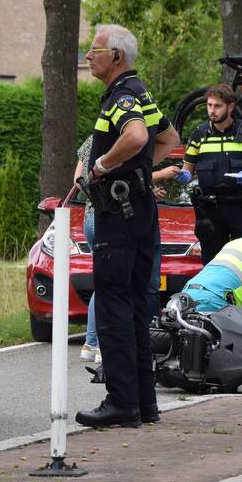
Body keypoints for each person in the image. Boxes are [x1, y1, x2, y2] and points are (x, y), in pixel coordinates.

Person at [75, 24, 179, 429]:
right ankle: (142, 403)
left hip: (118, 216)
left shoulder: (121, 97)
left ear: (116, 56)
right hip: (141, 211)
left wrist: (101, 166)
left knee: (114, 306)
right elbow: (168, 137)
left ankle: (120, 402)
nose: (88, 55)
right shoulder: (141, 92)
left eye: (94, 49)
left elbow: (136, 136)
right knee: (137, 305)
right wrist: (140, 173)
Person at [179, 83, 242, 264]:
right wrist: (183, 176)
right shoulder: (199, 134)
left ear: (231, 106)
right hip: (211, 210)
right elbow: (187, 170)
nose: (212, 110)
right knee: (212, 266)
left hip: (241, 207)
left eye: (218, 106)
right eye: (209, 105)